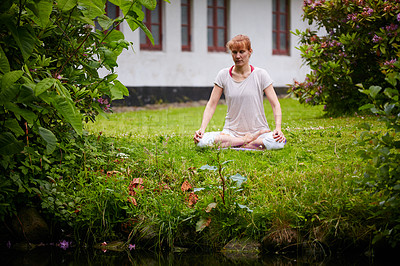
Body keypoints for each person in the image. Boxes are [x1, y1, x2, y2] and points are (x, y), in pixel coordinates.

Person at [193, 34, 286, 150]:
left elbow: (275, 104)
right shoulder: (223, 75)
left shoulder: (261, 74)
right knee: (200, 141)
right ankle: (245, 142)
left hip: (259, 132)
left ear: (250, 52)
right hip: (230, 133)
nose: (238, 56)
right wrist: (202, 129)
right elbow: (211, 104)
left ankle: (234, 145)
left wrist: (278, 129)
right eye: (234, 52)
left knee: (278, 143)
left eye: (242, 52)